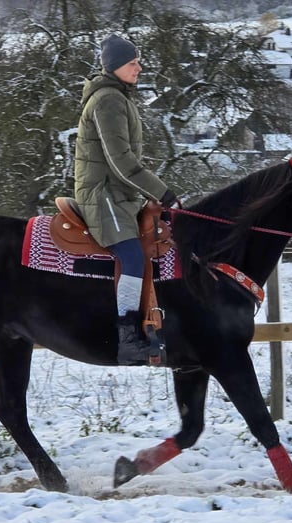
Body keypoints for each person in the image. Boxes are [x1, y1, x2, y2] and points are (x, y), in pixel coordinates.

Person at [74, 33, 178, 366]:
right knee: (132, 256)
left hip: (120, 192)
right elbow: (121, 161)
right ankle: (128, 337)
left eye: (137, 61)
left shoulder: (120, 97)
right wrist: (162, 193)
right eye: (133, 62)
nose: (139, 67)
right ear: (116, 66)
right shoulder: (108, 100)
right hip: (102, 192)